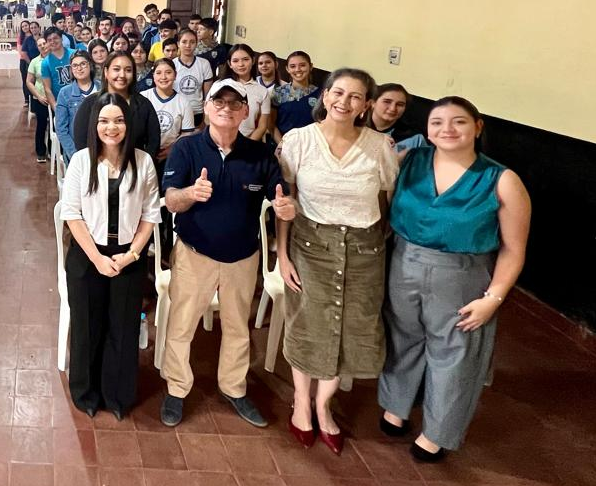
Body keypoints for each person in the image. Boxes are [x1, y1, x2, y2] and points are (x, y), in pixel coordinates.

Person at [379, 97, 531, 462]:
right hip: (403, 262)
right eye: (437, 122)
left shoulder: (501, 179)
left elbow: (513, 249)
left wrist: (493, 298)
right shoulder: (409, 161)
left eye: (458, 121)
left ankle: (437, 431)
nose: (447, 129)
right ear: (427, 129)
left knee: (454, 353)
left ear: (477, 127)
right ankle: (396, 406)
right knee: (402, 338)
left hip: (462, 273)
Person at [159, 81, 296, 428]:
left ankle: (234, 388)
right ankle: (177, 388)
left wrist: (284, 206)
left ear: (246, 113)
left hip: (242, 257)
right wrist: (192, 192)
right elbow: (171, 200)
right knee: (181, 325)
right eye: (219, 102)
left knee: (238, 326)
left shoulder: (260, 154)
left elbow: (279, 196)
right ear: (206, 108)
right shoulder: (186, 149)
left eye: (236, 104)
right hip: (194, 254)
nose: (227, 108)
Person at [277, 68, 398, 456]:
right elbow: (286, 203)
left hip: (364, 248)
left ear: (366, 105)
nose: (344, 102)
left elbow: (387, 200)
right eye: (338, 93)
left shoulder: (381, 146)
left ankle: (323, 403)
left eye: (356, 96)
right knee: (308, 319)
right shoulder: (299, 141)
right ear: (325, 95)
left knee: (352, 324)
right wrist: (282, 254)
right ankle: (301, 401)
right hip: (312, 244)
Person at [60, 93, 160, 420]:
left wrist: (131, 255)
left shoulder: (143, 162)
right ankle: (86, 393)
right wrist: (97, 259)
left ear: (128, 124)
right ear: (94, 124)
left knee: (123, 326)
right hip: (88, 256)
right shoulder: (81, 162)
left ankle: (117, 395)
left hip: (128, 258)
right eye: (104, 120)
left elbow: (150, 215)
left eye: (118, 120)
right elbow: (72, 215)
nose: (111, 127)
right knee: (88, 326)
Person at [72, 52, 161, 159]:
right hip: (97, 167)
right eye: (116, 69)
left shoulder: (143, 104)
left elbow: (154, 140)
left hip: (136, 166)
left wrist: (142, 165)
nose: (122, 75)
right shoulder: (91, 103)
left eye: (128, 70)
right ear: (106, 72)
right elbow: (81, 141)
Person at [141, 59, 190, 161]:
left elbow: (186, 133)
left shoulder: (184, 102)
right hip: (143, 153)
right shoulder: (143, 97)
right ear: (153, 76)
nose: (163, 77)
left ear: (175, 75)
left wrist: (171, 149)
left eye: (168, 72)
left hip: (172, 153)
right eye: (158, 73)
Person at [222, 44, 272, 142]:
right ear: (229, 64)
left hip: (248, 143)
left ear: (253, 61)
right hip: (220, 142)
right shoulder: (220, 86)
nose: (241, 64)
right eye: (235, 61)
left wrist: (247, 146)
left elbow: (262, 126)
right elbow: (209, 117)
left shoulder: (262, 91)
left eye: (245, 59)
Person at [55, 50, 98, 162]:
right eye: (75, 65)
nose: (79, 68)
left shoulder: (103, 88)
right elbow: (61, 129)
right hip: (76, 151)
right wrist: (75, 155)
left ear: (90, 65)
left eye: (83, 64)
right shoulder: (65, 93)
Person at [271, 51, 321, 144]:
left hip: (311, 146)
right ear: (287, 69)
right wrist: (282, 145)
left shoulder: (320, 94)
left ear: (311, 66)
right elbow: (271, 124)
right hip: (284, 145)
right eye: (293, 66)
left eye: (302, 65)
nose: (298, 69)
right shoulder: (279, 92)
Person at [173, 28, 214, 128]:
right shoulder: (172, 64)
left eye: (192, 42)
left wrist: (206, 116)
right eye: (184, 42)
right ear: (178, 43)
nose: (188, 45)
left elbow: (207, 95)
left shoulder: (204, 64)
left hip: (197, 112)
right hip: (176, 111)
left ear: (196, 43)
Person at [26, 36, 53, 164]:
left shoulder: (55, 59)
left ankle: (53, 150)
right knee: (41, 125)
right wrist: (39, 95)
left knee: (55, 125)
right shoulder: (35, 62)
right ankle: (41, 152)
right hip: (40, 98)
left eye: (44, 43)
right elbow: (29, 81)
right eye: (40, 45)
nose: (43, 46)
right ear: (37, 48)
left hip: (54, 98)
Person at [39, 27, 76, 107]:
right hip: (61, 102)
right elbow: (47, 88)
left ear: (61, 38)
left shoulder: (74, 54)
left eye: (55, 38)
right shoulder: (46, 62)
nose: (53, 42)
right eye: (49, 40)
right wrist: (55, 106)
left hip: (78, 97)